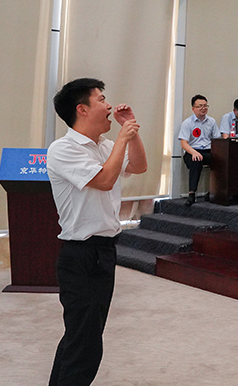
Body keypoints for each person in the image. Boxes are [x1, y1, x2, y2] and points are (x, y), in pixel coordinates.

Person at [47, 78, 148, 386]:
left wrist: (130, 131)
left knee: (81, 337)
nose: (109, 105)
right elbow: (104, 180)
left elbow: (140, 166)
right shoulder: (63, 149)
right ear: (82, 109)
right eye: (101, 100)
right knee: (85, 345)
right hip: (81, 254)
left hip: (104, 251)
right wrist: (121, 140)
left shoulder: (104, 146)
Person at [178, 94, 220, 205]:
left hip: (208, 151)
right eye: (200, 106)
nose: (203, 108)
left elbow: (217, 140)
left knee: (222, 161)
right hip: (192, 151)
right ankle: (191, 194)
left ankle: (215, 191)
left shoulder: (211, 122)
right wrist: (194, 152)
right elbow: (184, 143)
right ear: (193, 108)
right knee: (196, 160)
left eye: (205, 105)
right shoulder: (187, 123)